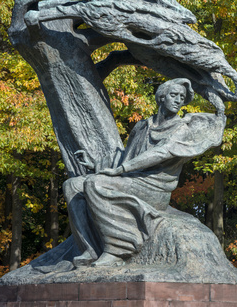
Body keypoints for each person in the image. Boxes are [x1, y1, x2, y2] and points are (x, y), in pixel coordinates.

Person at [63, 78, 226, 267]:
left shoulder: (181, 129)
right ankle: (90, 250)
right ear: (162, 97)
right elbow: (127, 156)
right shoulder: (142, 126)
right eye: (174, 95)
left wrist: (120, 170)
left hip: (154, 188)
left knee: (95, 184)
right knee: (72, 185)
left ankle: (118, 251)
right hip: (131, 179)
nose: (178, 100)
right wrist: (95, 165)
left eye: (182, 97)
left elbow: (159, 153)